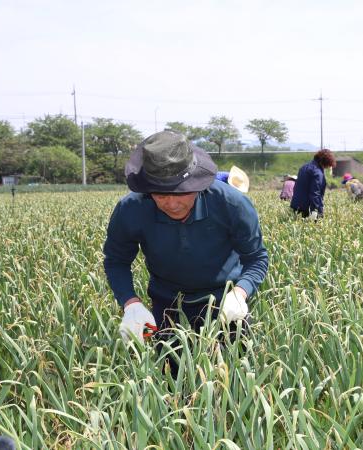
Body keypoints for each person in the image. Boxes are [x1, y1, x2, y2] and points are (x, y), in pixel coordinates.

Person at [103, 132, 268, 375]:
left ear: (198, 184)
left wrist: (240, 293)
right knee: (170, 380)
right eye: (160, 195)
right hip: (167, 305)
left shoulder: (231, 204)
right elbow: (116, 261)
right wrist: (131, 303)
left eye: (181, 193)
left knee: (235, 378)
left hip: (225, 305)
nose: (172, 204)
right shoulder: (131, 209)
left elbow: (256, 258)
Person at [290, 149, 336, 219]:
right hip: (307, 208)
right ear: (325, 162)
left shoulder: (304, 167)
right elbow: (315, 193)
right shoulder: (317, 172)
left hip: (296, 204)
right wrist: (318, 211)